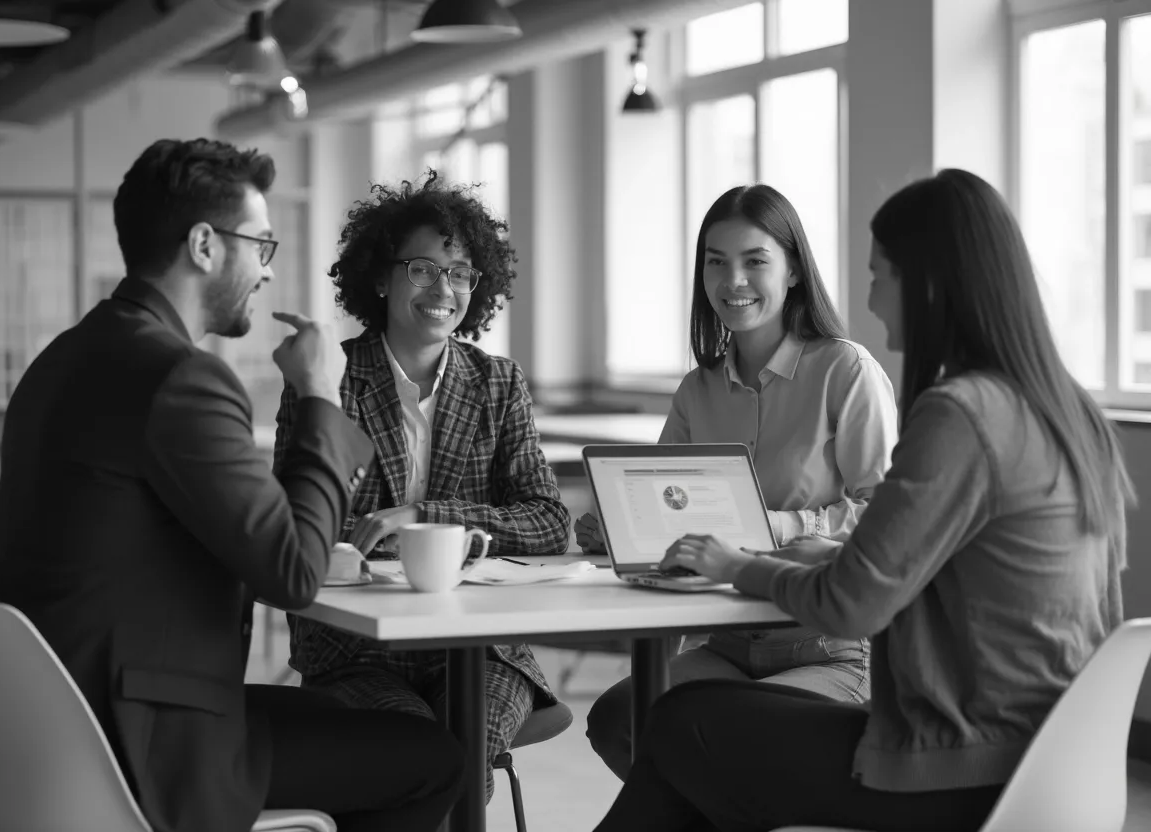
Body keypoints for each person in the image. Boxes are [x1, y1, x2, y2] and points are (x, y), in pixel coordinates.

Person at [594, 168, 1133, 832]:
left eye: (881, 276)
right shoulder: (1070, 411)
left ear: (929, 283)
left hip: (960, 762)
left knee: (681, 722)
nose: (873, 302)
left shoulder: (960, 415)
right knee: (676, 748)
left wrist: (739, 564)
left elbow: (850, 606)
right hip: (1058, 755)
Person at [0, 139, 464, 832]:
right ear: (205, 245)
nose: (267, 273)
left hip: (60, 728)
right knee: (432, 758)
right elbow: (295, 573)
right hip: (144, 743)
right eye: (261, 246)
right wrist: (319, 390)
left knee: (340, 715)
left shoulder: (66, 358)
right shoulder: (180, 378)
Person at [581, 184, 898, 781]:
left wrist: (784, 525)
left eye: (755, 261)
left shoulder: (844, 370)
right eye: (716, 262)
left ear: (795, 271)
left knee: (719, 738)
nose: (734, 281)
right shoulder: (697, 390)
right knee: (623, 718)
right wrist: (620, 529)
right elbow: (664, 515)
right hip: (726, 642)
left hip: (826, 645)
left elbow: (886, 517)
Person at [273, 171, 571, 801]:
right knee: (418, 756)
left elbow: (550, 519)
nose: (445, 288)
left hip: (482, 645)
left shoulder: (497, 382)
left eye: (461, 272)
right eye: (423, 268)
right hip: (356, 648)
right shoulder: (332, 378)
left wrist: (427, 515)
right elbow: (292, 524)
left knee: (461, 749)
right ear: (380, 277)